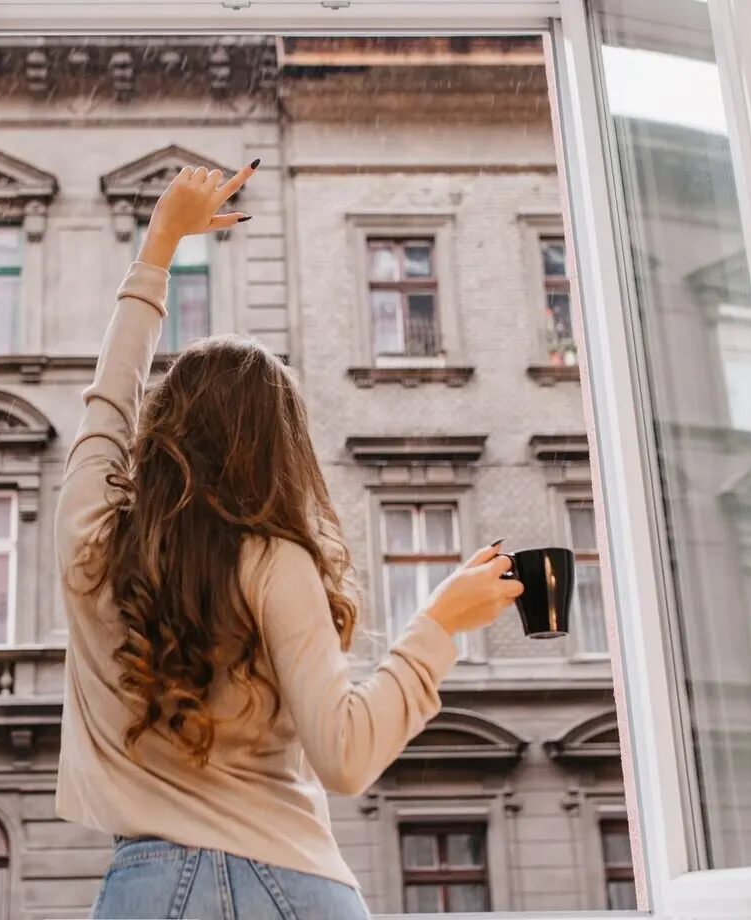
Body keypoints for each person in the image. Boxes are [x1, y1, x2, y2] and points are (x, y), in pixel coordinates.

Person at [55, 162, 524, 919]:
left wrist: (159, 249)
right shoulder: (275, 562)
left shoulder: (88, 539)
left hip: (145, 892)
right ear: (279, 452)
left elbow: (110, 396)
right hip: (295, 886)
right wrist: (436, 627)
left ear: (161, 431)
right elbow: (343, 756)